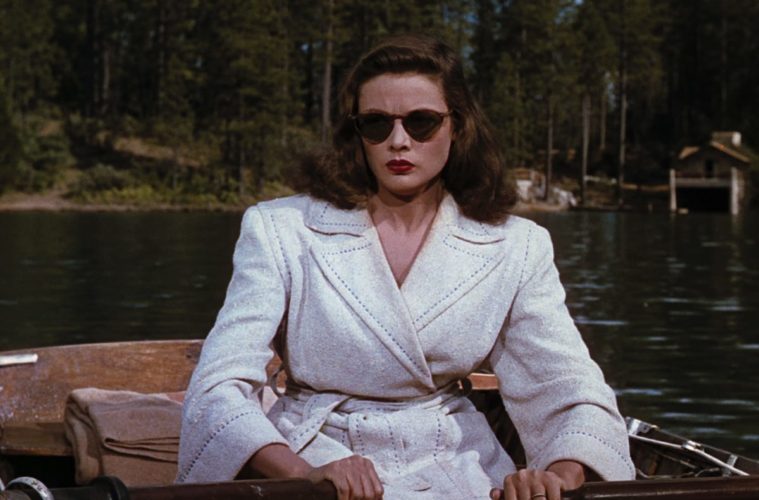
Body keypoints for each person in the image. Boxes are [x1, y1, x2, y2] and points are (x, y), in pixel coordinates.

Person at [176, 34, 634, 500]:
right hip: (313, 455)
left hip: (458, 463)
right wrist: (301, 474)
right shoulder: (281, 229)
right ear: (357, 133)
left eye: (421, 122)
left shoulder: (516, 246)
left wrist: (555, 476)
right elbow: (218, 386)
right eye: (376, 124)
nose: (398, 141)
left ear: (458, 126)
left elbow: (565, 389)